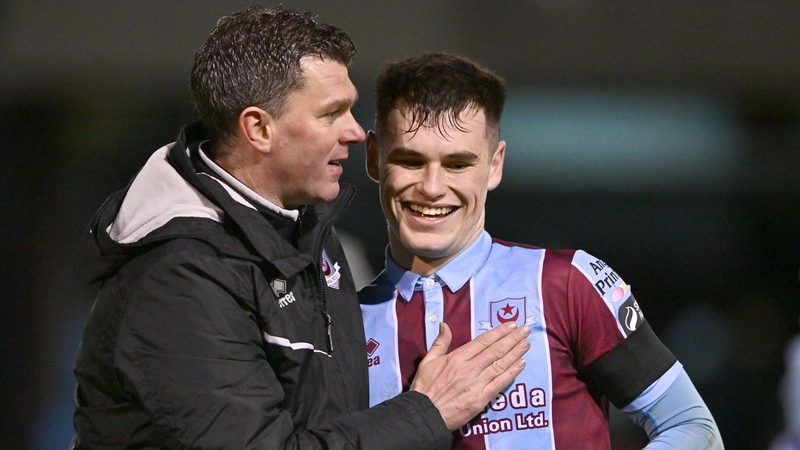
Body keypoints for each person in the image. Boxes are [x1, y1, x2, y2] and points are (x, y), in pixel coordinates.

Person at [70, 9, 530, 449]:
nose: (355, 132)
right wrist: (426, 413)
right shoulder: (179, 278)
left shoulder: (308, 230)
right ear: (259, 129)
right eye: (332, 114)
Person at [360, 53, 724, 449]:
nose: (432, 187)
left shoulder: (565, 284)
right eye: (410, 161)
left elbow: (692, 426)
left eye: (457, 165)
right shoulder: (341, 324)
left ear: (495, 165)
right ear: (375, 158)